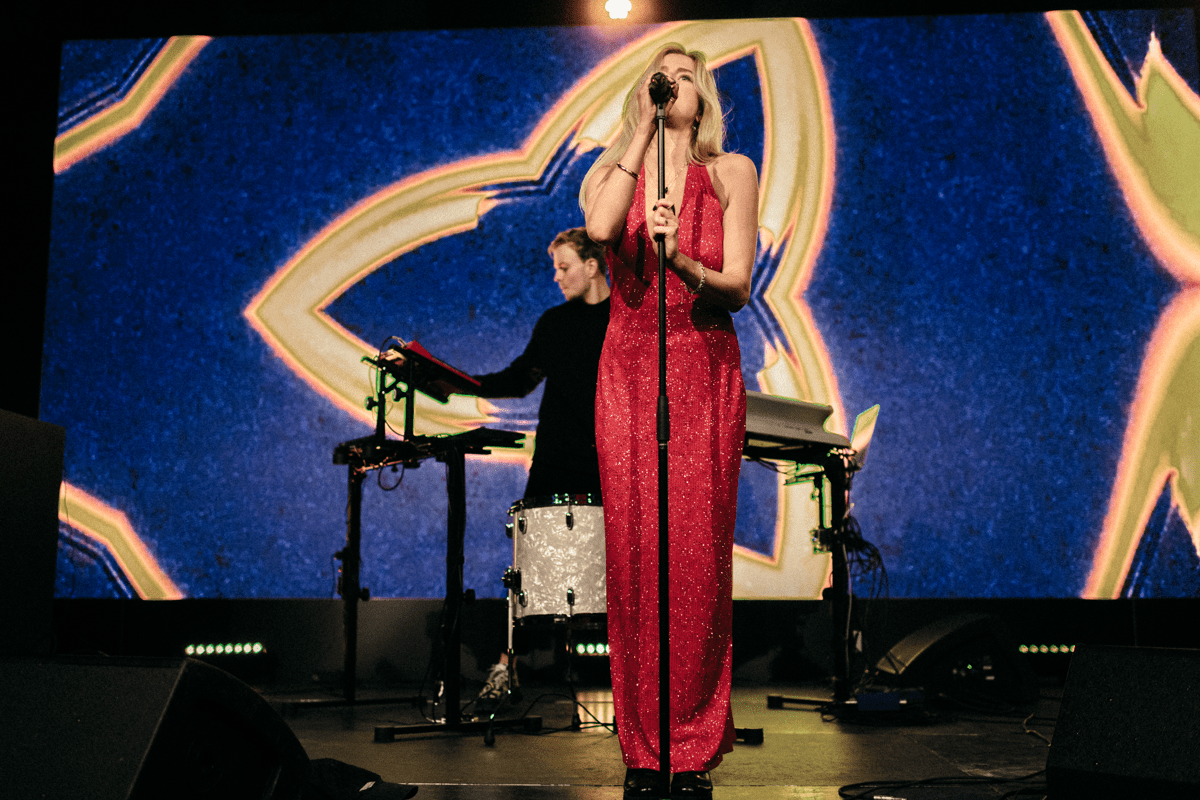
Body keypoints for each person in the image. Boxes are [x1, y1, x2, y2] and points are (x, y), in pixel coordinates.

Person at [581, 43, 757, 800]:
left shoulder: (730, 173)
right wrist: (637, 138)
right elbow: (597, 229)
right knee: (636, 556)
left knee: (694, 559)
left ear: (704, 96)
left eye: (687, 76)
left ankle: (690, 746)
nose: (675, 83)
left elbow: (740, 284)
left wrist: (681, 260)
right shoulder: (612, 166)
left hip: (702, 364)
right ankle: (642, 745)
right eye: (663, 75)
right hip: (628, 369)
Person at [470, 227, 611, 499]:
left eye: (564, 267)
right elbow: (519, 380)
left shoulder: (623, 320)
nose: (557, 277)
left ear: (591, 266)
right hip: (554, 464)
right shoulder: (555, 323)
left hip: (609, 468)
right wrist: (453, 382)